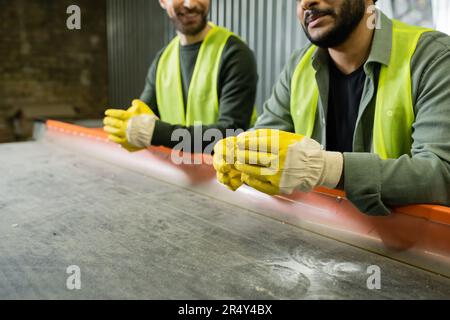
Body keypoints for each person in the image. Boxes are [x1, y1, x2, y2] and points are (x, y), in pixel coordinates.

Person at [214, 0, 450, 215]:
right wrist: (238, 157)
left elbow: (441, 174)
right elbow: (264, 145)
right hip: (321, 236)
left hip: (413, 249)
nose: (306, 3)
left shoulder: (433, 57)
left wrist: (327, 169)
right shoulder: (299, 66)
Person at [104, 0, 257, 153]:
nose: (190, 4)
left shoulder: (235, 55)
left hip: (225, 174)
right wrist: (130, 129)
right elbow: (144, 116)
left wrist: (157, 133)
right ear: (163, 1)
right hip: (178, 174)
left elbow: (230, 135)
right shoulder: (162, 60)